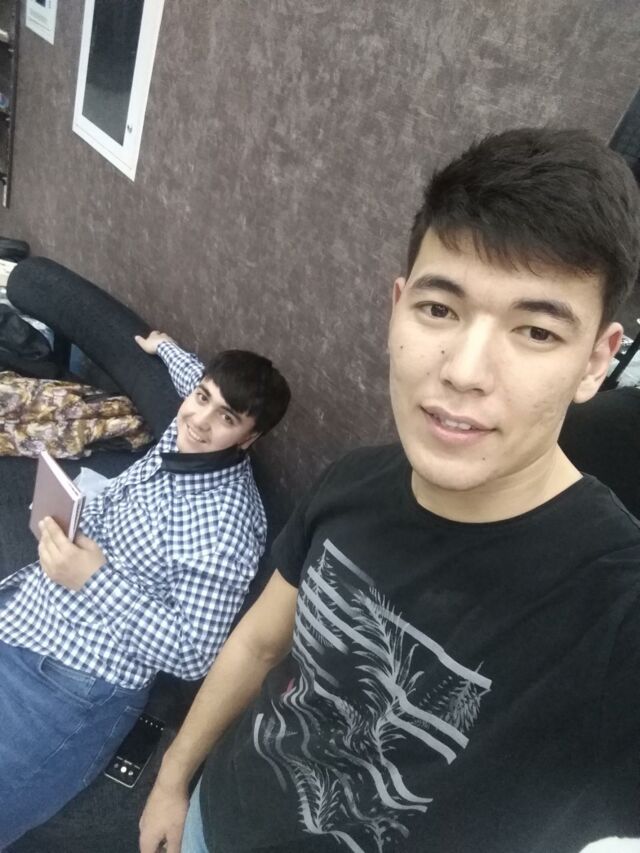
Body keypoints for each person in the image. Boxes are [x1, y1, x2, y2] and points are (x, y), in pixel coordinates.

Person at [139, 128, 640, 853]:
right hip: (212, 818)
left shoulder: (614, 606)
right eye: (440, 310)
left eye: (535, 330)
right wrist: (172, 779)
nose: (464, 371)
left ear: (596, 362)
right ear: (397, 307)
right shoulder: (353, 480)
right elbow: (259, 642)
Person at [0, 332, 291, 847]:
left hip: (67, 683)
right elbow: (193, 377)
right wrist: (164, 347)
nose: (199, 420)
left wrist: (92, 579)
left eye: (226, 417)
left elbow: (193, 654)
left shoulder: (225, 530)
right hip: (21, 616)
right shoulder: (187, 430)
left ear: (249, 438)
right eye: (201, 398)